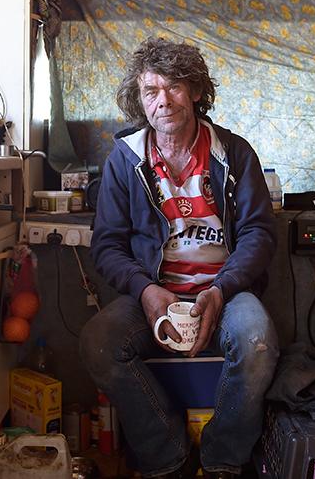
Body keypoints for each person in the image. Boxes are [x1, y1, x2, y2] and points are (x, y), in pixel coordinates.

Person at [81, 37, 279, 479]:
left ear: (194, 90)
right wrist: (147, 290)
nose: (163, 101)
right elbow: (107, 246)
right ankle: (166, 459)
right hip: (154, 290)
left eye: (173, 87)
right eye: (151, 91)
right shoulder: (124, 160)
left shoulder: (234, 153)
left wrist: (221, 289)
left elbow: (259, 235)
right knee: (99, 342)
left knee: (257, 343)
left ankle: (223, 462)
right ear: (140, 100)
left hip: (226, 288)